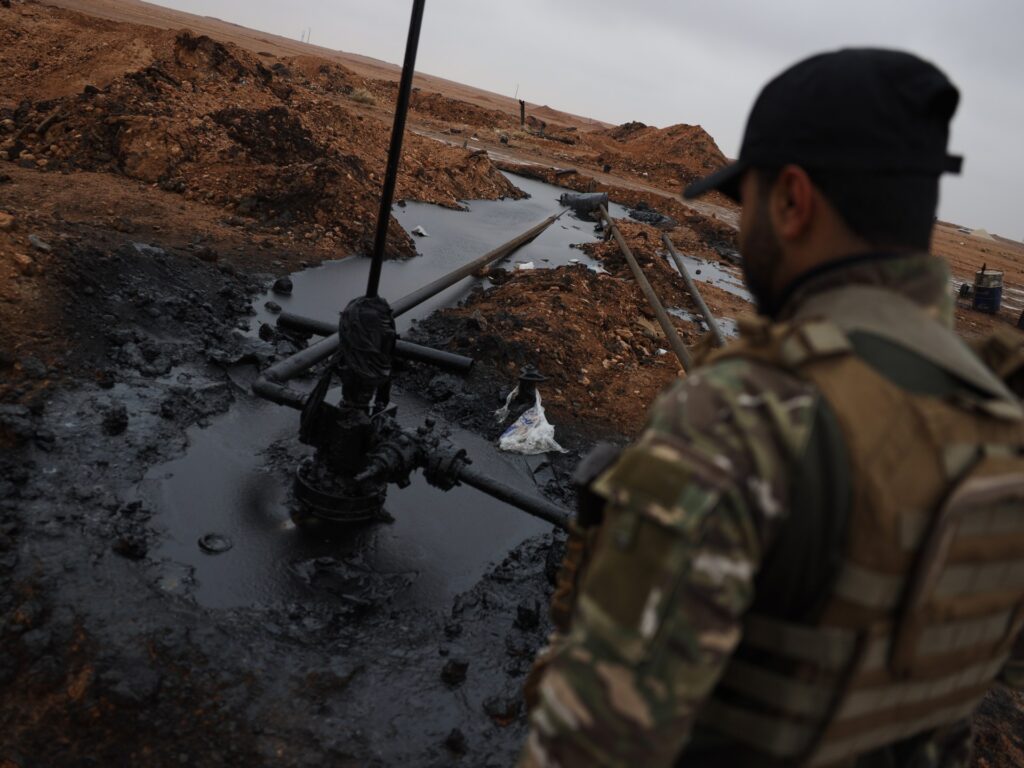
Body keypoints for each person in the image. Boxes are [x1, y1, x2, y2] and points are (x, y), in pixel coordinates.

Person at [519, 48, 1024, 767]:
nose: (741, 220)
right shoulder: (1003, 425)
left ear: (791, 200)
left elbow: (590, 745)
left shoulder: (748, 414)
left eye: (745, 200)